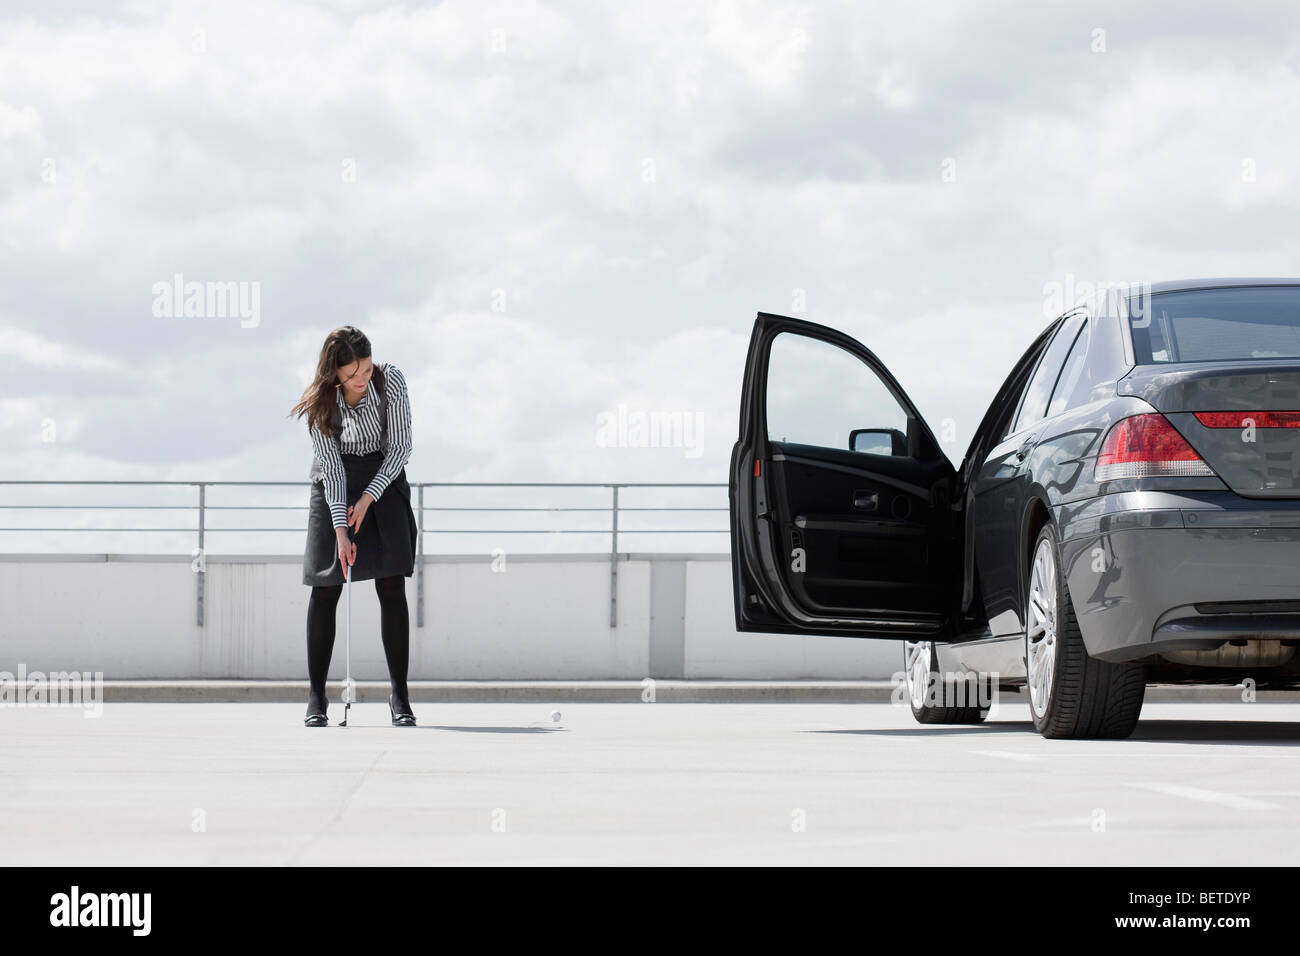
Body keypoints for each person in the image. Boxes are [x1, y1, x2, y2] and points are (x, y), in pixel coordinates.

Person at [289, 326, 418, 727]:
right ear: (334, 376)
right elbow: (331, 468)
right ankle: (316, 697)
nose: (361, 379)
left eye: (365, 368)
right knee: (325, 588)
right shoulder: (321, 404)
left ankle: (400, 695)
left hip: (383, 473)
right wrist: (341, 528)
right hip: (335, 480)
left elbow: (400, 448)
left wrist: (369, 497)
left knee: (391, 583)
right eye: (351, 375)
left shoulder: (390, 380)